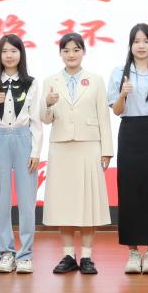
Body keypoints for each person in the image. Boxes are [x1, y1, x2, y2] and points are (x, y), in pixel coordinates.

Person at [42, 33, 114, 275]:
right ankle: (67, 255)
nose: (71, 54)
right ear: (60, 54)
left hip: (89, 145)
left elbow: (104, 116)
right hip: (61, 146)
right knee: (64, 202)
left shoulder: (95, 80)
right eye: (66, 50)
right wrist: (48, 103)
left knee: (88, 203)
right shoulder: (50, 81)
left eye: (76, 49)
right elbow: (44, 119)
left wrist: (107, 151)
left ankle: (86, 256)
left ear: (84, 52)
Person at [108, 23, 148, 275]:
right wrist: (123, 95)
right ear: (130, 45)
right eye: (136, 41)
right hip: (130, 132)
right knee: (130, 191)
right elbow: (117, 111)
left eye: (146, 41)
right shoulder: (119, 72)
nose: (141, 46)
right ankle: (133, 252)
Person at [0, 34, 43, 275]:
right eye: (5, 51)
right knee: (2, 201)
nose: (9, 55)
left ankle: (25, 254)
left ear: (21, 54)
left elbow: (36, 120)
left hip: (23, 138)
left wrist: (36, 150)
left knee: (27, 201)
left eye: (13, 51)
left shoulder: (31, 82)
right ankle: (6, 253)